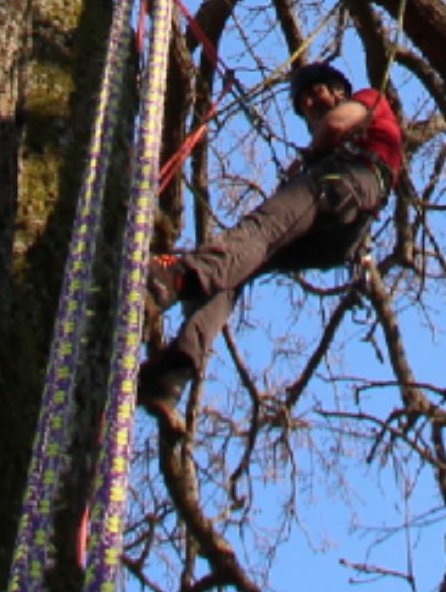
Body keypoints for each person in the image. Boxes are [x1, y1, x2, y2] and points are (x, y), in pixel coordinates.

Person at [136, 59, 408, 434]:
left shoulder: (367, 100)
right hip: (338, 224)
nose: (312, 104)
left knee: (259, 232)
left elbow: (336, 125)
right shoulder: (318, 159)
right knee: (242, 266)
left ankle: (172, 276)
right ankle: (175, 370)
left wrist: (311, 157)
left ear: (339, 91)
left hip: (345, 185)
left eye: (316, 93)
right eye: (304, 103)